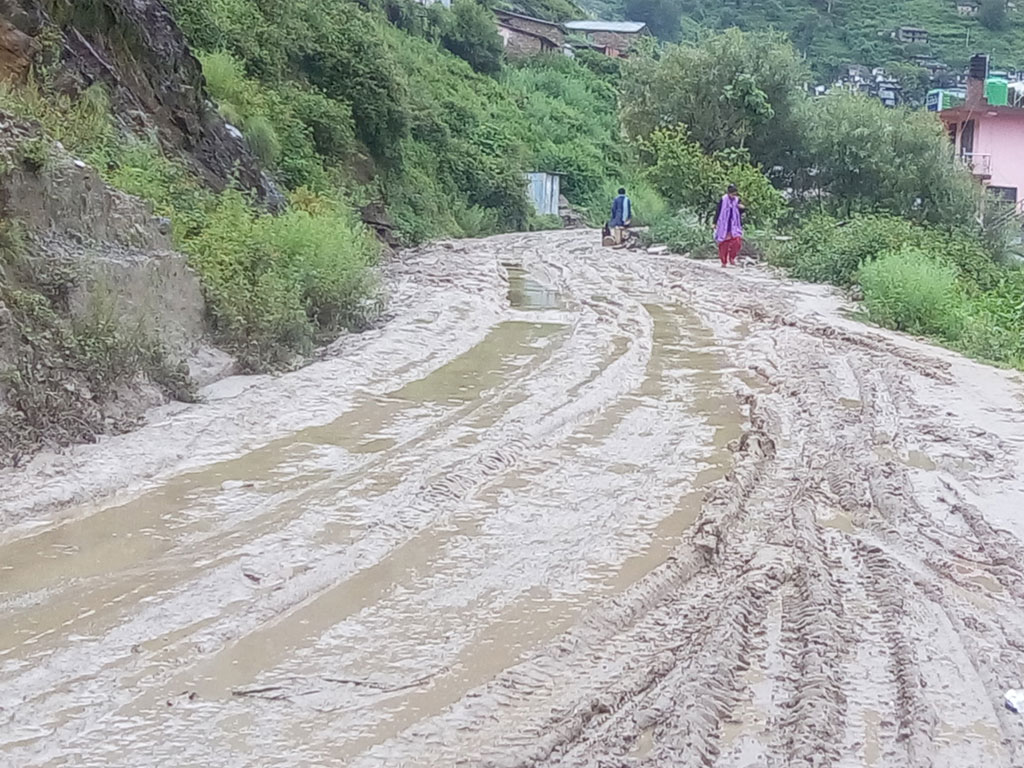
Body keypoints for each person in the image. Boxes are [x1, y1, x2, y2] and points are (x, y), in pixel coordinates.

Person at [714, 184, 745, 267]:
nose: (734, 196)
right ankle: (724, 261)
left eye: (735, 194)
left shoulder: (737, 200)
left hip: (734, 225)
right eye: (732, 194)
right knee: (724, 244)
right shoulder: (723, 199)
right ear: (728, 193)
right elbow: (718, 211)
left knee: (737, 242)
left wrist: (742, 208)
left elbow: (740, 211)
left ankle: (732, 258)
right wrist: (714, 222)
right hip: (724, 224)